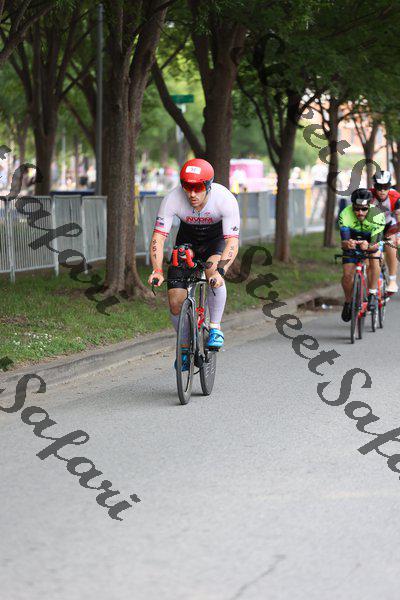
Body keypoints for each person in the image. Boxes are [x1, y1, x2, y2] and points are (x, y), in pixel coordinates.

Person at [147, 158, 240, 370]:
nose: (192, 194)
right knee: (174, 301)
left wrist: (221, 270)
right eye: (187, 187)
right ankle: (183, 347)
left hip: (215, 242)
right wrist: (158, 269)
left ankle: (215, 327)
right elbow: (158, 237)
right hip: (187, 242)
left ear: (208, 186)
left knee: (212, 272)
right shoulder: (172, 199)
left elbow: (232, 242)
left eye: (198, 188)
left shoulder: (224, 199)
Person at [338, 188, 386, 322]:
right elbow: (344, 242)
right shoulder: (345, 214)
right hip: (353, 240)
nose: (360, 212)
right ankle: (348, 302)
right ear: (352, 206)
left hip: (371, 241)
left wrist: (368, 246)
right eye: (357, 209)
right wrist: (348, 244)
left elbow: (375, 244)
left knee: (374, 259)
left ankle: (372, 294)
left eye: (364, 209)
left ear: (369, 206)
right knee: (347, 275)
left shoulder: (377, 215)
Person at [369, 170, 400, 293]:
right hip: (372, 227)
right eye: (379, 187)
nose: (382, 190)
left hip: (388, 226)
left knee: (391, 244)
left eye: (386, 187)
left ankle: (392, 280)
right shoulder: (368, 196)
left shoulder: (395, 197)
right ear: (374, 186)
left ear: (390, 186)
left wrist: (399, 236)